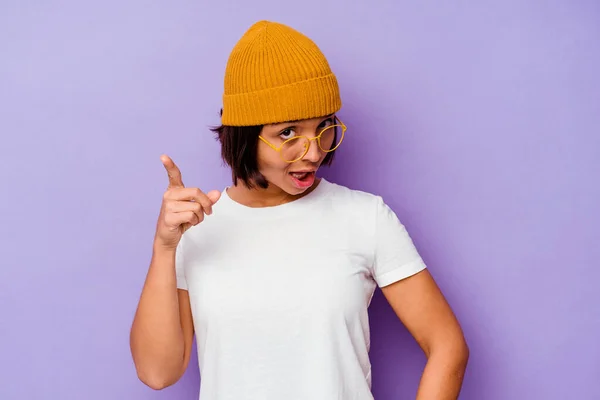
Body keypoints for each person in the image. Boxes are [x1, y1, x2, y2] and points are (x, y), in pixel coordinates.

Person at [130, 20, 469, 400]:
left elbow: (447, 345)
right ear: (243, 133)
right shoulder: (197, 228)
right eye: (288, 133)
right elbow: (158, 373)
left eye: (323, 127)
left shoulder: (364, 217)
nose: (314, 152)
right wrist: (164, 248)